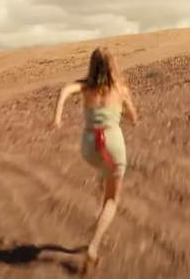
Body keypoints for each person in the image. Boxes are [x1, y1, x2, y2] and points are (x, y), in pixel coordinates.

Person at [49, 46, 139, 275]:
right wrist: (123, 115)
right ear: (113, 66)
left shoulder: (85, 86)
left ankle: (99, 210)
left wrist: (57, 118)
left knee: (103, 174)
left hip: (90, 146)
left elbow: (65, 91)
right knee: (113, 199)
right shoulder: (120, 89)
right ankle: (94, 246)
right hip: (111, 144)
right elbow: (134, 118)